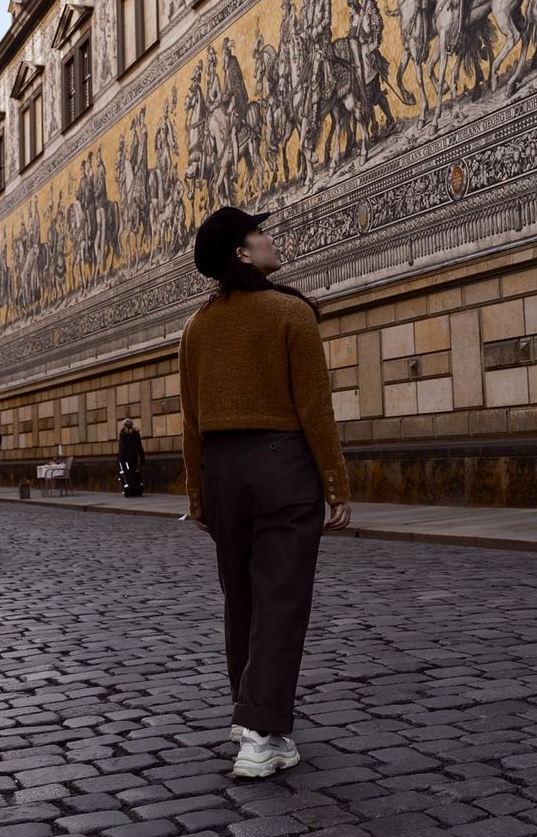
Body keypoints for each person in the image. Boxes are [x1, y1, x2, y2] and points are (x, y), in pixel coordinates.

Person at [179, 206, 353, 780]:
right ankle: (256, 733)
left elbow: (190, 419)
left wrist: (197, 495)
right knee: (281, 601)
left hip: (222, 473)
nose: (271, 237)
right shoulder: (291, 313)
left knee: (243, 602)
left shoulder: (197, 327)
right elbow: (315, 409)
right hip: (283, 468)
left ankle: (265, 727)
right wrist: (335, 481)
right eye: (259, 233)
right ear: (242, 254)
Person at [117, 418, 146, 497]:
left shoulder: (123, 434)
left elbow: (122, 448)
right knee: (134, 473)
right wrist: (142, 459)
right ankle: (136, 490)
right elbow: (140, 447)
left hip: (126, 459)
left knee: (127, 474)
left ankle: (130, 490)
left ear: (125, 426)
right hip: (134, 459)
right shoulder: (136, 434)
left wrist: (119, 460)